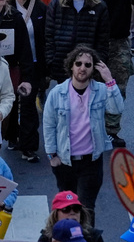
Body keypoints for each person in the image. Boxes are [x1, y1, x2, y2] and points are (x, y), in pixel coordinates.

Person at [43, 45, 123, 225]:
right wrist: (52, 155)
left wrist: (109, 80)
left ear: (93, 68)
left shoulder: (101, 90)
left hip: (91, 162)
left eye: (88, 64)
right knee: (66, 209)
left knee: (86, 210)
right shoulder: (57, 93)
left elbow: (117, 109)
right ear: (71, 66)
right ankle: (68, 241)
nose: (82, 68)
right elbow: (49, 125)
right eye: (78, 63)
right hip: (65, 162)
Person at [44, 0, 110, 83]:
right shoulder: (56, 4)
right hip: (61, 65)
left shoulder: (99, 7)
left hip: (87, 67)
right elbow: (49, 36)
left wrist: (96, 64)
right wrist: (51, 61)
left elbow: (102, 41)